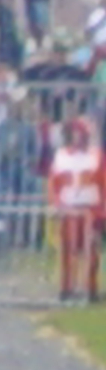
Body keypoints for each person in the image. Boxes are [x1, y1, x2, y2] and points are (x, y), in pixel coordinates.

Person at [48, 118, 105, 303]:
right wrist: (56, 204)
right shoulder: (61, 156)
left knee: (91, 251)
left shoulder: (96, 156)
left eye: (81, 133)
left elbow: (103, 183)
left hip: (90, 210)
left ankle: (90, 289)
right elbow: (54, 183)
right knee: (67, 250)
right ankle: (67, 287)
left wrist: (101, 211)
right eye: (75, 133)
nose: (78, 137)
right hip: (69, 210)